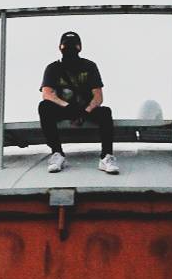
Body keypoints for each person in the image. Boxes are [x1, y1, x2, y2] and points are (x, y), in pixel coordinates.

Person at [40, 29, 119, 174]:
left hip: (86, 109)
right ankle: (57, 154)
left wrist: (85, 111)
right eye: (66, 45)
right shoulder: (53, 68)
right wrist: (68, 108)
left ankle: (106, 156)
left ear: (80, 47)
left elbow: (98, 96)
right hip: (63, 108)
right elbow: (47, 94)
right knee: (44, 107)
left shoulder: (89, 66)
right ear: (60, 47)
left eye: (73, 45)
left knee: (105, 112)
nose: (70, 49)